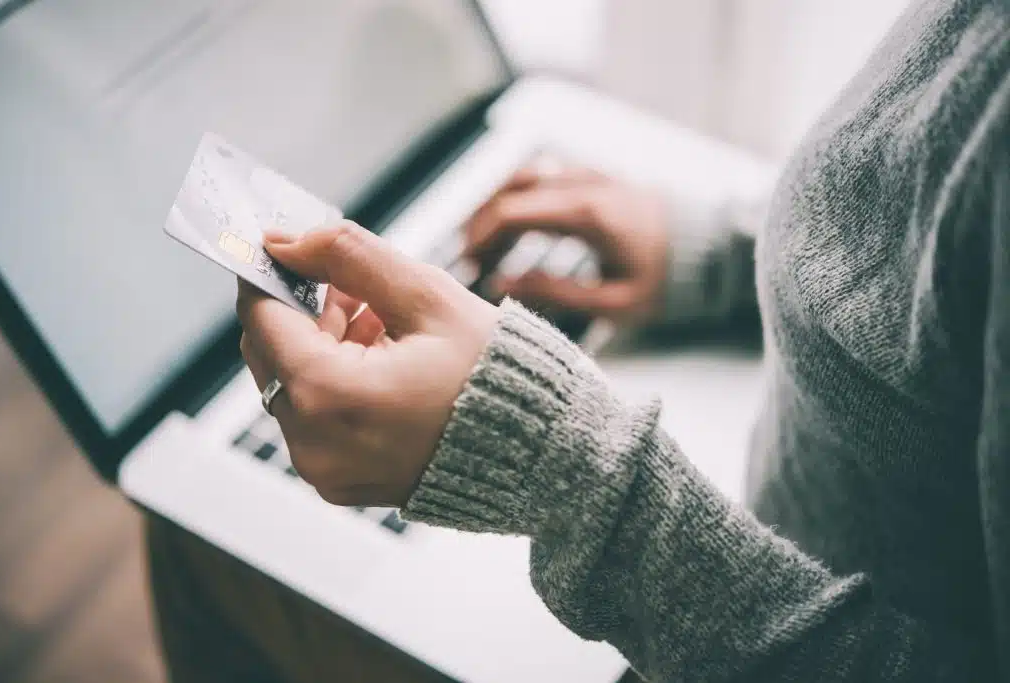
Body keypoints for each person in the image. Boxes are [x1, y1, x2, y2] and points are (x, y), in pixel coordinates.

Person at [155, 0, 1009, 680]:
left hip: (716, 624)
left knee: (191, 541)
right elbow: (940, 223)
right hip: (765, 537)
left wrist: (561, 469)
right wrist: (728, 256)